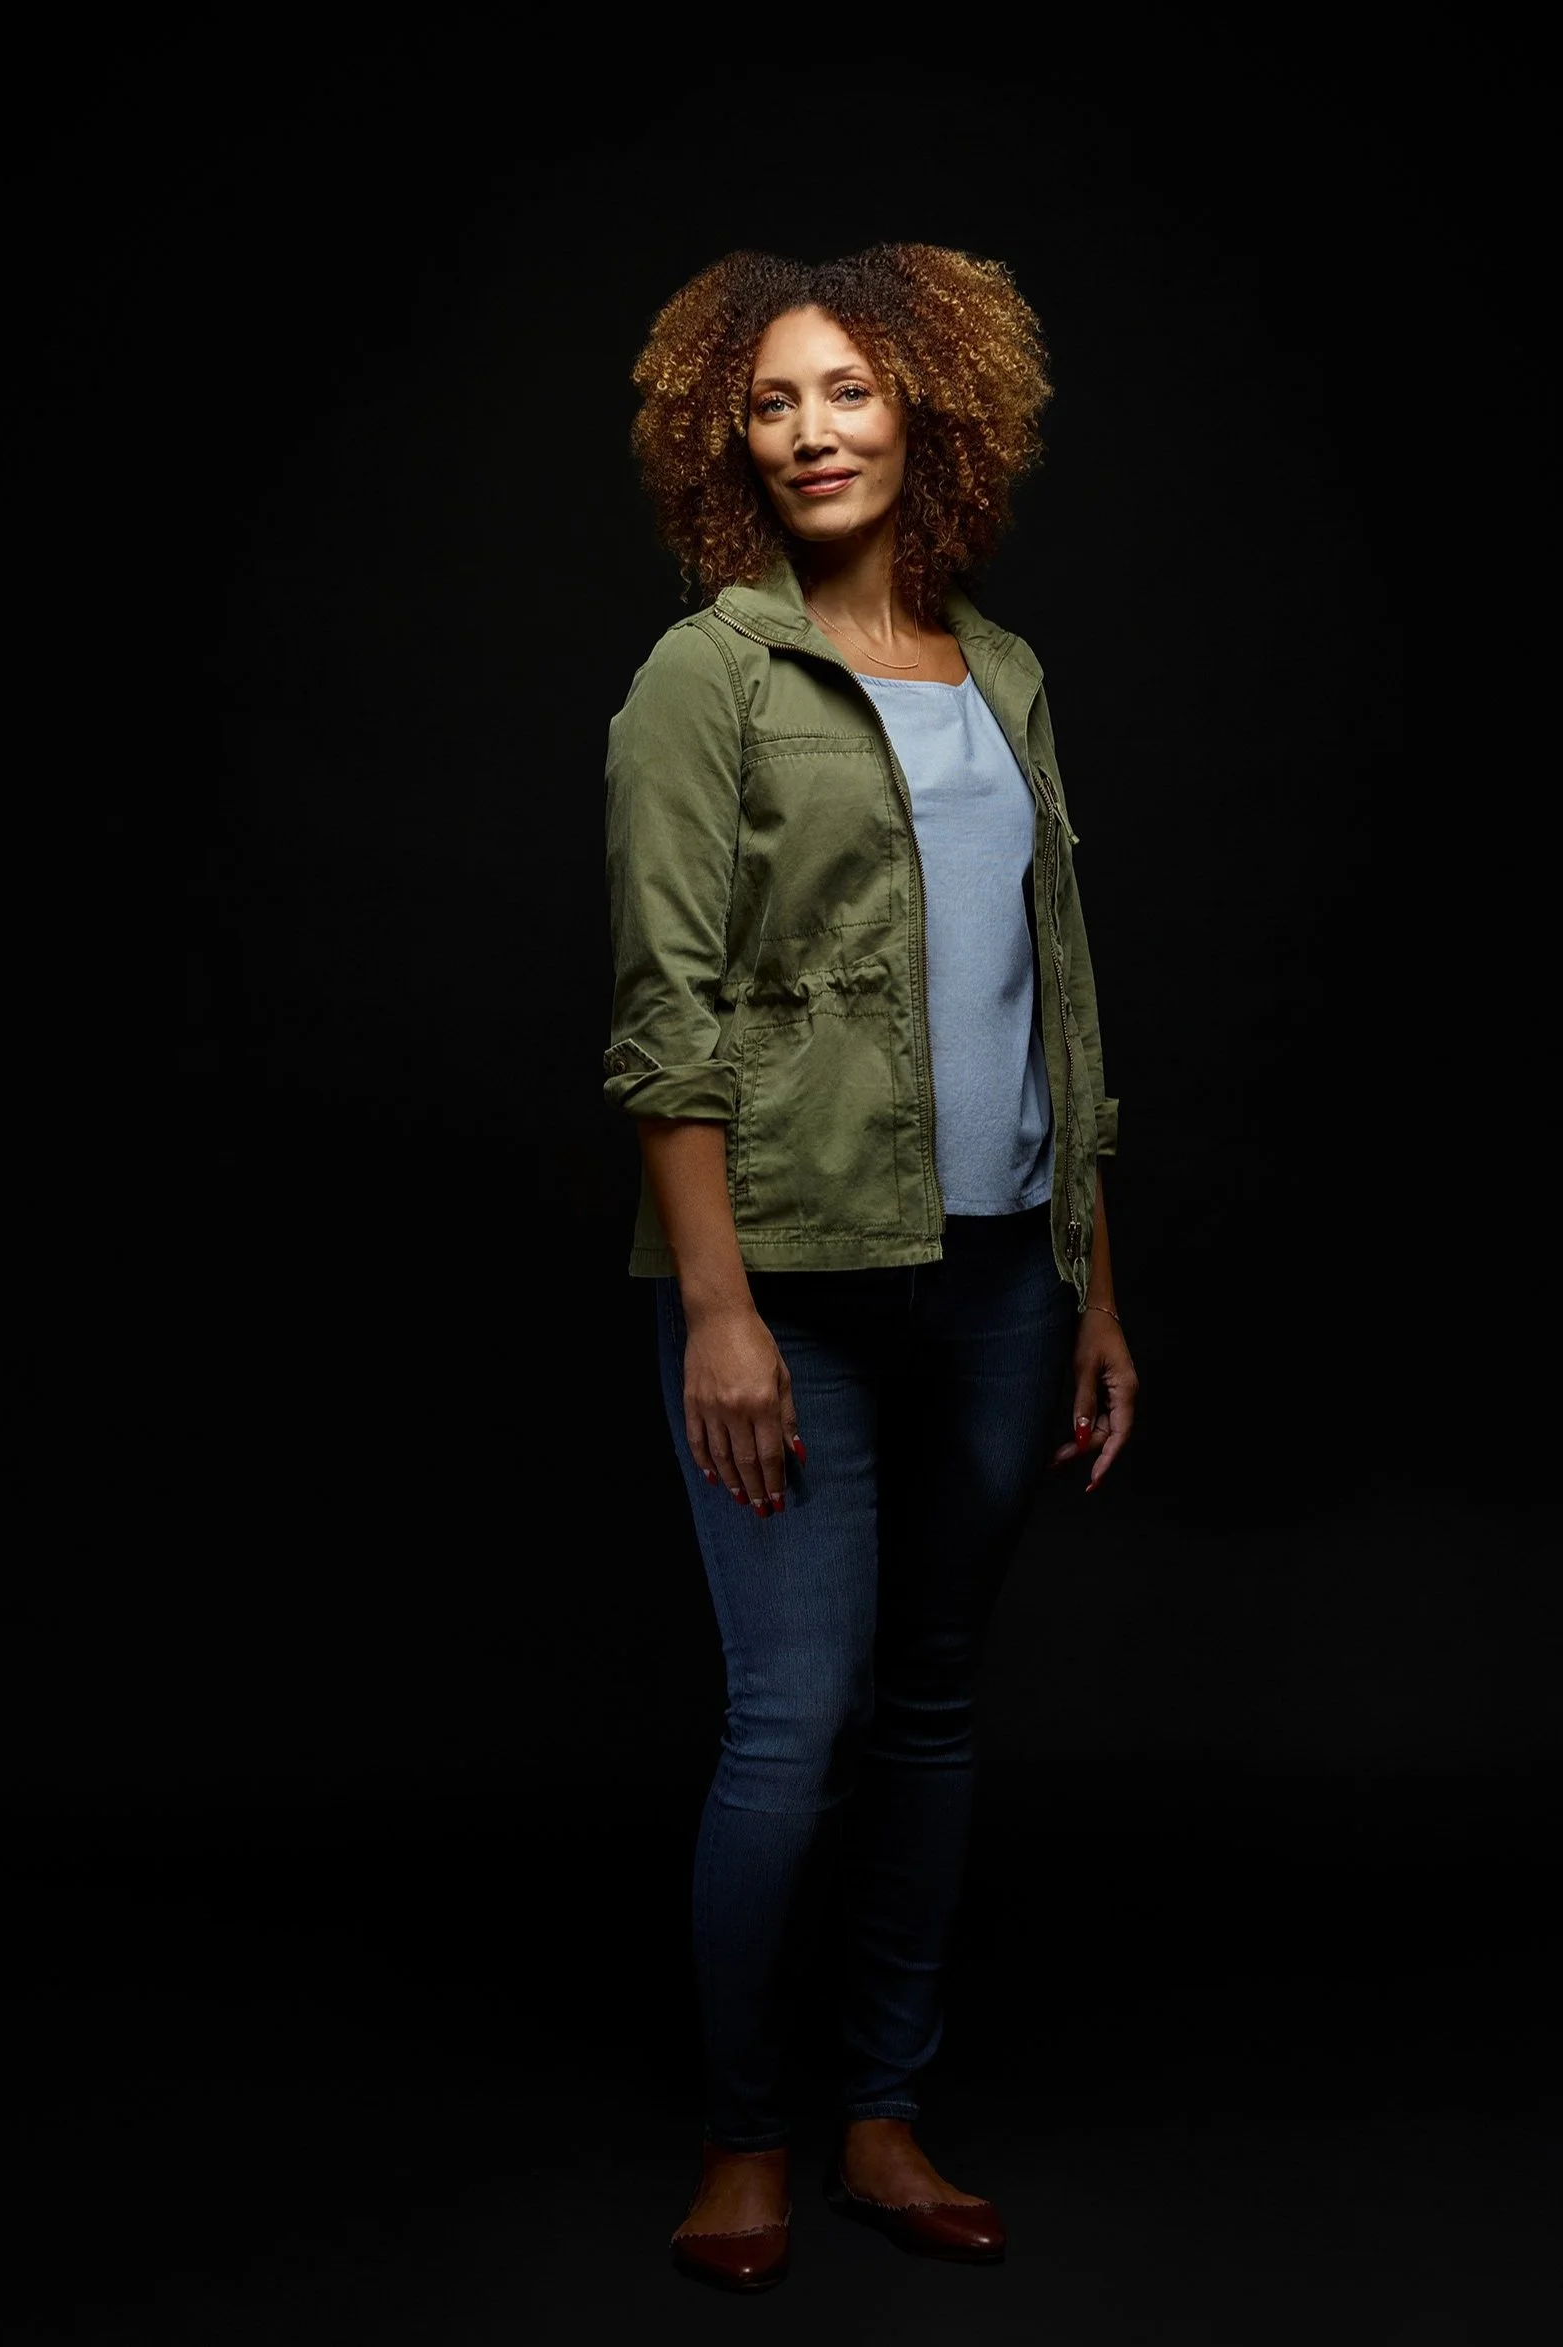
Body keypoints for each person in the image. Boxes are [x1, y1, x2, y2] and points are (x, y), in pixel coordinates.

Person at [602, 242, 1137, 2293]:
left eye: (847, 392)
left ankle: (884, 2115)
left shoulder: (1001, 672)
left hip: (1003, 1279)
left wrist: (1092, 1286)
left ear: (930, 407)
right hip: (791, 1283)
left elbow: (1061, 996)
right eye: (771, 404)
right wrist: (719, 1309)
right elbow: (663, 1012)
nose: (813, 434)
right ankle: (748, 2137)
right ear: (722, 440)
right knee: (789, 1723)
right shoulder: (707, 675)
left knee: (929, 1711)